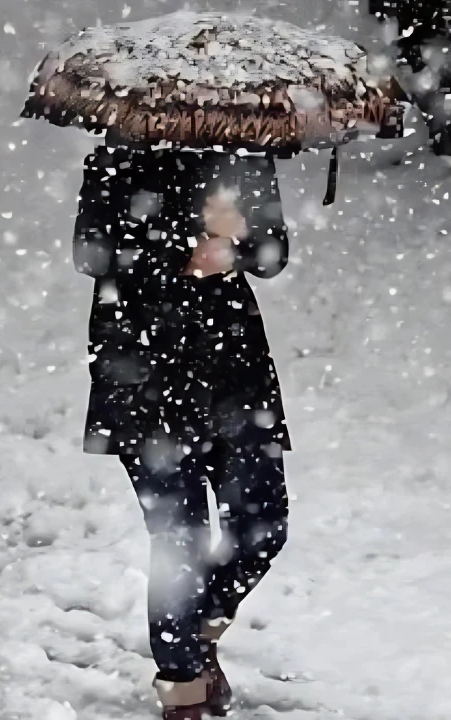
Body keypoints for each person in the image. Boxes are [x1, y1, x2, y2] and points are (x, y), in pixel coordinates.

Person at [73, 136, 291, 720]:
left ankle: (198, 634)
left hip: (234, 376)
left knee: (264, 524)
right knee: (180, 541)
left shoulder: (244, 156)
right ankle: (184, 690)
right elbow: (93, 256)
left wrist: (238, 241)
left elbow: (273, 254)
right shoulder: (116, 158)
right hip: (145, 374)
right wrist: (188, 245)